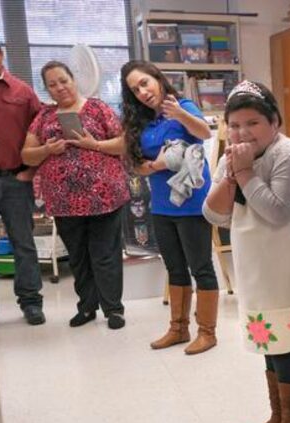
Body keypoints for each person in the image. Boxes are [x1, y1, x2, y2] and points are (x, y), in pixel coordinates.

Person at [203, 81, 290, 423]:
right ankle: (280, 416)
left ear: (275, 122)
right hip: (259, 263)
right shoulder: (233, 158)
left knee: (288, 344)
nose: (242, 132)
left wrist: (243, 174)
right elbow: (213, 213)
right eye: (235, 125)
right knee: (268, 340)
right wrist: (230, 174)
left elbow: (276, 211)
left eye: (252, 123)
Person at [21, 61, 129, 329]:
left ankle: (113, 310)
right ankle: (87, 307)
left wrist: (95, 145)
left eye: (63, 81)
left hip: (104, 197)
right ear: (46, 89)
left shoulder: (98, 108)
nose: (59, 88)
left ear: (74, 79)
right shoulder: (44, 117)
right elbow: (26, 154)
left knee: (105, 255)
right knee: (78, 257)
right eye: (52, 84)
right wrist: (47, 150)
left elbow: (123, 144)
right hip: (64, 202)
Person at [120, 60, 218, 355]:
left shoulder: (183, 105)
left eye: (145, 83)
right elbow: (135, 164)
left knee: (200, 267)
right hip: (162, 204)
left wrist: (179, 114)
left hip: (192, 203)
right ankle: (178, 328)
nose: (142, 92)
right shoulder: (141, 122)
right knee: (174, 267)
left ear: (157, 79)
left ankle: (207, 332)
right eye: (135, 89)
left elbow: (204, 133)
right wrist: (154, 166)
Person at [0, 31, 45, 326]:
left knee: (24, 244)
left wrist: (29, 173)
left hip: (15, 180)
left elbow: (42, 133)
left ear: (1, 55)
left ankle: (30, 302)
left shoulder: (23, 92)